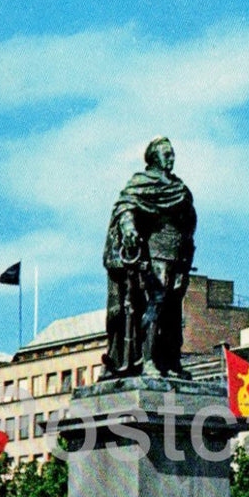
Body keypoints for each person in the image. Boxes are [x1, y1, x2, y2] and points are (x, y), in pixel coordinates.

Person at [101, 136, 197, 379]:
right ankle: (149, 361)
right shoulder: (141, 183)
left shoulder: (179, 188)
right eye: (167, 154)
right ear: (154, 158)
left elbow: (188, 224)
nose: (172, 159)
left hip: (177, 256)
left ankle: (170, 361)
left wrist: (184, 262)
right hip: (154, 254)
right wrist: (129, 229)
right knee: (155, 304)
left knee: (173, 310)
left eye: (173, 154)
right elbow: (125, 208)